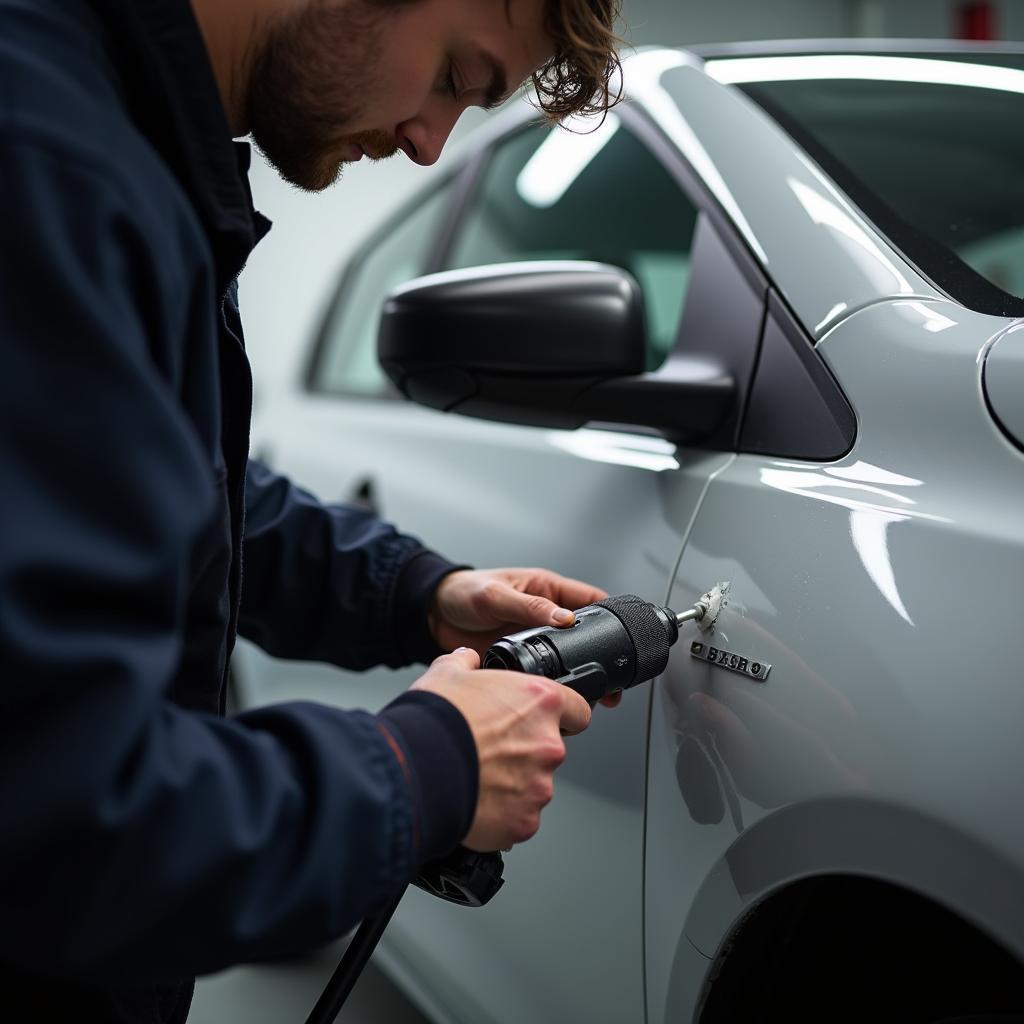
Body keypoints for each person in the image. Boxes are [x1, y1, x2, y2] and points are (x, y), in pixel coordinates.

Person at [0, 0, 623, 1019]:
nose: (429, 144)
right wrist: (426, 764)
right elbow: (63, 814)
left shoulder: (115, 143)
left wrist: (417, 591)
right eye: (458, 79)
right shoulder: (47, 164)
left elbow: (169, 483)